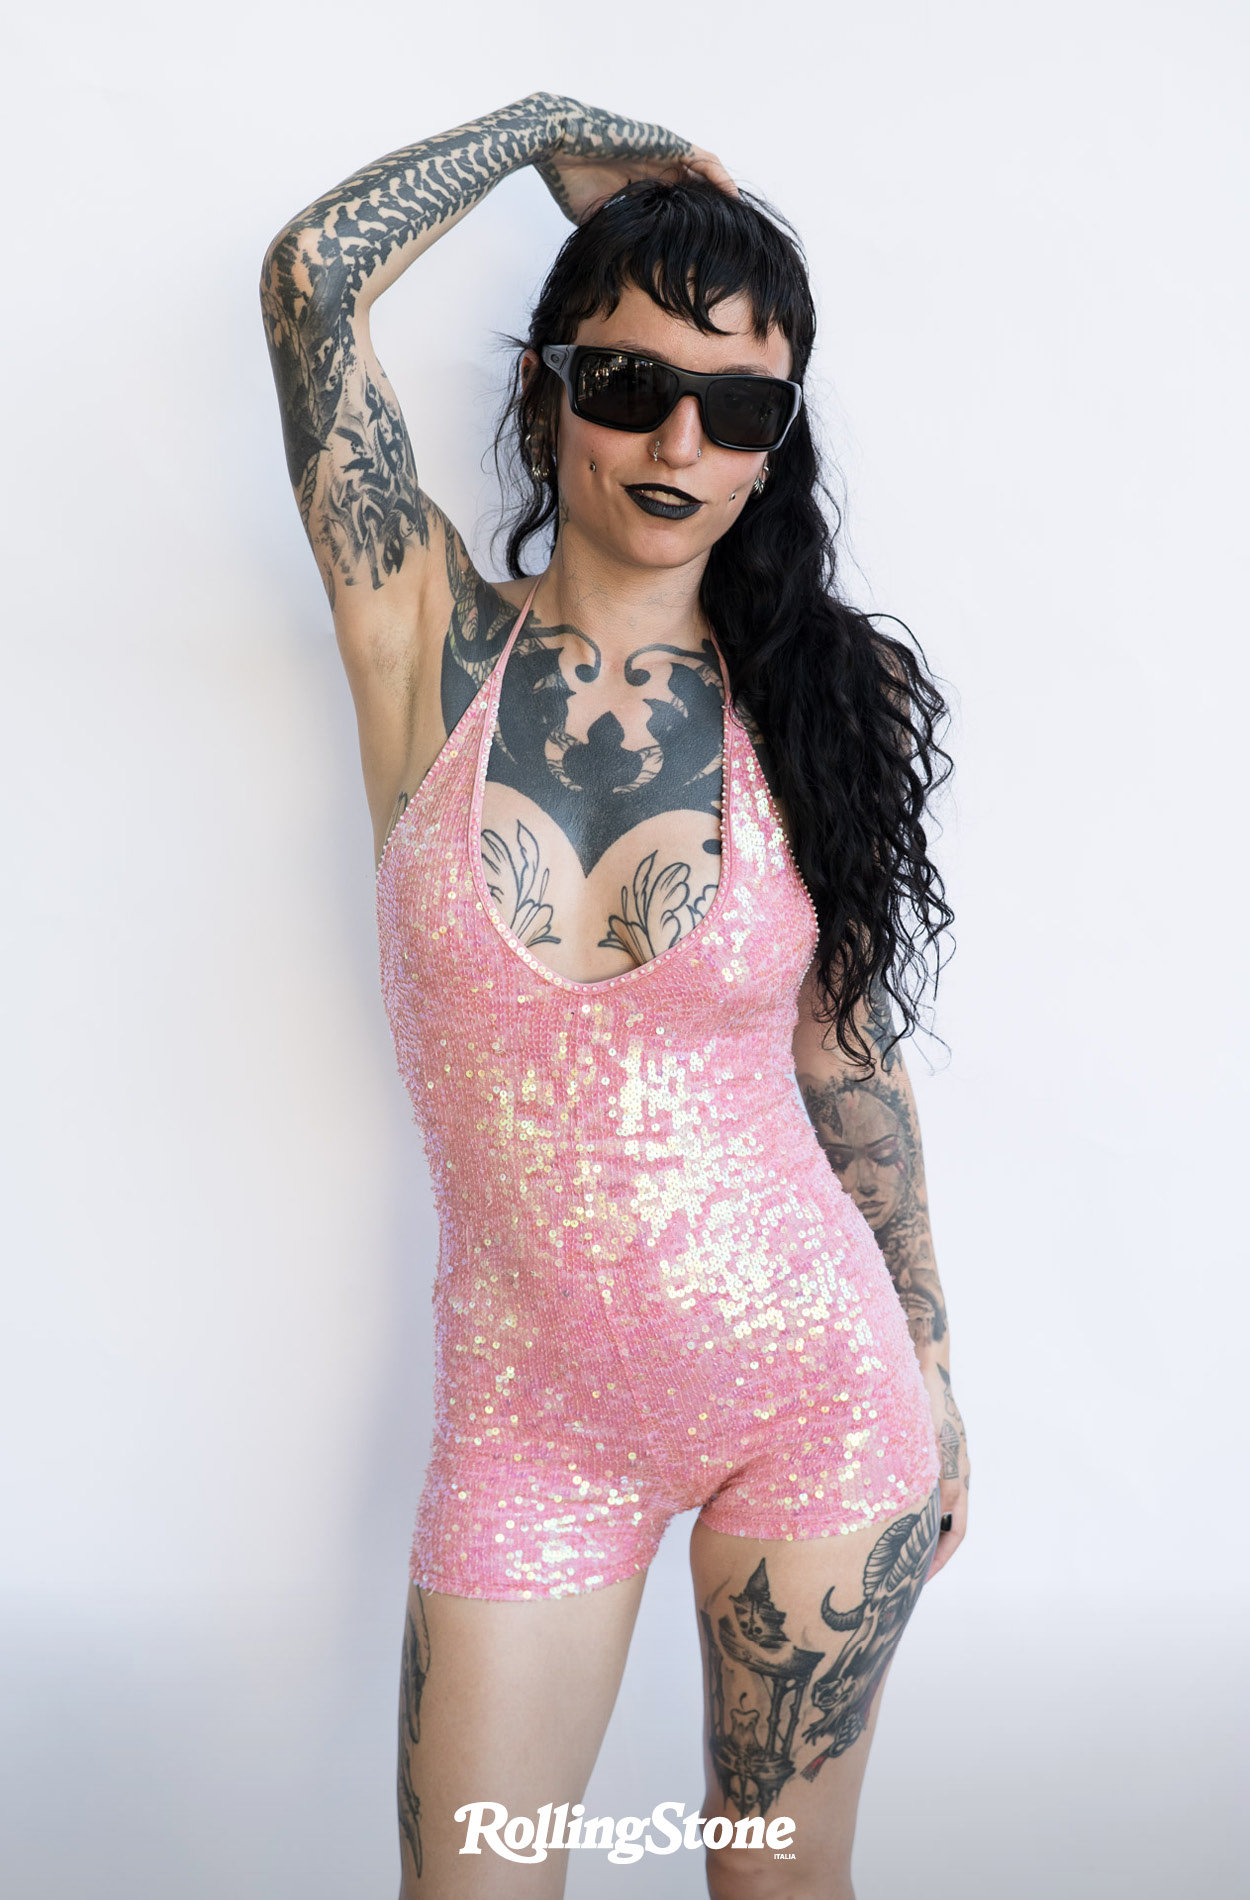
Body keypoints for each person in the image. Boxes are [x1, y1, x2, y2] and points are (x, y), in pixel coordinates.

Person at [261, 90, 970, 1900]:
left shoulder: (822, 698)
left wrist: (929, 1356)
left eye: (739, 410)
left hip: (819, 1398)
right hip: (528, 1427)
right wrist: (541, 130)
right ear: (544, 394)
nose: (677, 440)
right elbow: (311, 280)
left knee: (772, 1885)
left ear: (771, 451)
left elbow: (845, 1052)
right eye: (629, 383)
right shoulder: (422, 639)